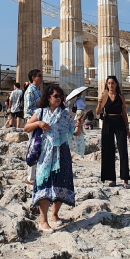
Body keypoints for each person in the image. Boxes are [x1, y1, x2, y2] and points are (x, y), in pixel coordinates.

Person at [24, 84, 83, 232]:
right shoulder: (41, 112)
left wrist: (78, 126)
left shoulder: (65, 114)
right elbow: (26, 127)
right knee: (44, 183)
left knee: (61, 182)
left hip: (62, 151)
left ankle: (55, 215)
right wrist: (39, 123)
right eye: (55, 96)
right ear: (48, 98)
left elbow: (74, 133)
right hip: (45, 152)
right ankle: (43, 220)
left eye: (60, 96)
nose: (58, 99)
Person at [96, 76, 130, 187]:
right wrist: (99, 103)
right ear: (107, 85)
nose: (111, 85)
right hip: (108, 122)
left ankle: (125, 179)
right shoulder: (103, 96)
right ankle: (112, 179)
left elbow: (124, 112)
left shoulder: (121, 97)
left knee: (123, 150)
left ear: (116, 84)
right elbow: (97, 112)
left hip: (119, 121)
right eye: (109, 83)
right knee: (108, 151)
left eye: (112, 83)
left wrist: (127, 127)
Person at [23, 69, 43, 184]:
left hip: (37, 122)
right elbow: (29, 108)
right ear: (33, 78)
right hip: (33, 122)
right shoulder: (31, 90)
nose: (41, 77)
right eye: (39, 76)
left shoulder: (37, 90)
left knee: (37, 148)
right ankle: (30, 178)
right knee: (33, 148)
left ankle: (35, 175)